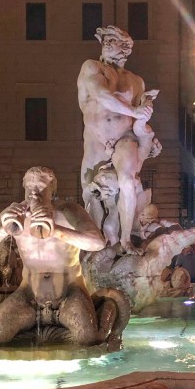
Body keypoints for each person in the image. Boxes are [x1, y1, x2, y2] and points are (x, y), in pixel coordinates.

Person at [0, 166, 106, 346]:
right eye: (29, 186)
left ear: (53, 189)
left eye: (41, 186)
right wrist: (4, 229)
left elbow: (97, 243)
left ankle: (102, 315)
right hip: (29, 293)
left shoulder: (69, 210)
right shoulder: (14, 212)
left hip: (69, 291)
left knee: (86, 338)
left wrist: (56, 230)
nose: (34, 192)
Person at [78, 25, 161, 255]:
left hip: (125, 138)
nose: (124, 50)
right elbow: (102, 96)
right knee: (91, 194)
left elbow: (140, 117)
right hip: (96, 139)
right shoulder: (92, 68)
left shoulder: (137, 82)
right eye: (113, 42)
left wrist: (147, 133)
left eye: (127, 46)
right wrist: (135, 113)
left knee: (127, 180)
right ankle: (95, 246)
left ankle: (126, 240)